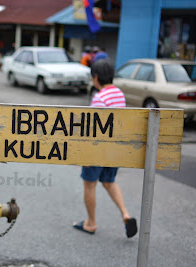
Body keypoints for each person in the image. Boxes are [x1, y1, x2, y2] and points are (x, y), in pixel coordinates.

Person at [72, 59, 138, 238]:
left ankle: (91, 223)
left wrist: (86, 155)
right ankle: (126, 214)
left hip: (99, 150)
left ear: (96, 77)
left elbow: (95, 130)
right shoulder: (119, 94)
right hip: (115, 149)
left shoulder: (99, 98)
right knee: (109, 182)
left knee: (89, 184)